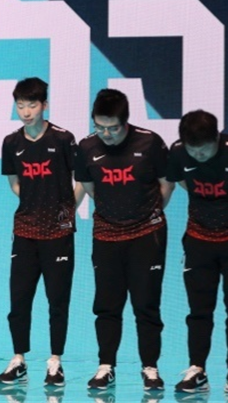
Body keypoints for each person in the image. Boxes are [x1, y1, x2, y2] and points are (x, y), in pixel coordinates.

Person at [74, 88, 174, 392]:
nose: (106, 134)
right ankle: (106, 366)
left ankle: (150, 368)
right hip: (106, 235)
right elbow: (88, 186)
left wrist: (144, 214)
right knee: (107, 304)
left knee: (146, 304)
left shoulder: (150, 142)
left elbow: (166, 185)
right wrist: (114, 211)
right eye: (99, 127)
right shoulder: (86, 147)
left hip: (147, 235)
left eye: (113, 128)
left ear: (126, 122)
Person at [166, 110, 228, 395]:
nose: (198, 155)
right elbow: (181, 181)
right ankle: (197, 369)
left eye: (204, 149)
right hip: (199, 239)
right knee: (199, 309)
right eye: (193, 150)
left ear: (217, 139)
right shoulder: (177, 152)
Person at [0, 77, 84, 386]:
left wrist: (66, 209)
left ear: (44, 105)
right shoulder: (11, 143)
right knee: (19, 299)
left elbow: (83, 179)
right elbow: (14, 183)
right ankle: (18, 359)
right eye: (20, 105)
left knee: (57, 301)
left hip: (58, 233)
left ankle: (55, 361)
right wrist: (35, 202)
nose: (25, 112)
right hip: (25, 230)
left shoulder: (63, 139)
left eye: (32, 105)